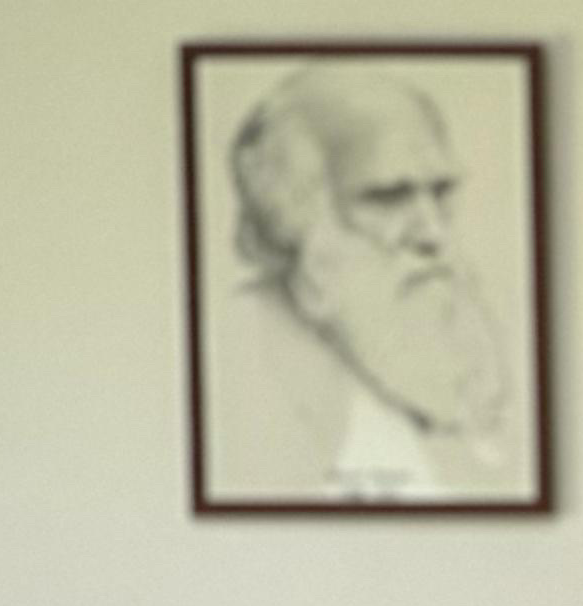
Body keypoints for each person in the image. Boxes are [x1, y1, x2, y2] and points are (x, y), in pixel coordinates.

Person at [207, 65, 521, 501]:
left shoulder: (458, 351)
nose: (433, 232)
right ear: (299, 212)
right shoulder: (240, 356)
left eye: (440, 192)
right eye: (388, 196)